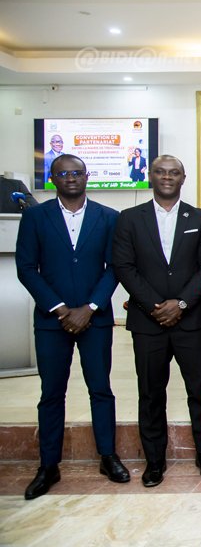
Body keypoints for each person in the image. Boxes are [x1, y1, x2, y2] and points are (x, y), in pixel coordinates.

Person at [16, 154, 129, 500]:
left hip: (96, 319)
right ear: (53, 178)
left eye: (77, 172)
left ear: (87, 176)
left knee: (101, 389)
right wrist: (60, 308)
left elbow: (115, 267)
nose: (71, 178)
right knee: (52, 393)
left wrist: (90, 307)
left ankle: (107, 456)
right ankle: (48, 466)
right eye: (63, 173)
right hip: (52, 321)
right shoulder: (35, 217)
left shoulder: (108, 217)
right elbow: (26, 267)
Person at [112, 155, 201, 487]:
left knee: (200, 392)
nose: (167, 177)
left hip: (191, 322)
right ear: (151, 176)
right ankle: (154, 461)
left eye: (174, 173)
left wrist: (182, 303)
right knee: (151, 393)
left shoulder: (198, 218)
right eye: (160, 172)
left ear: (183, 178)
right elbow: (124, 266)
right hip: (148, 322)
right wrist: (156, 305)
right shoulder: (130, 218)